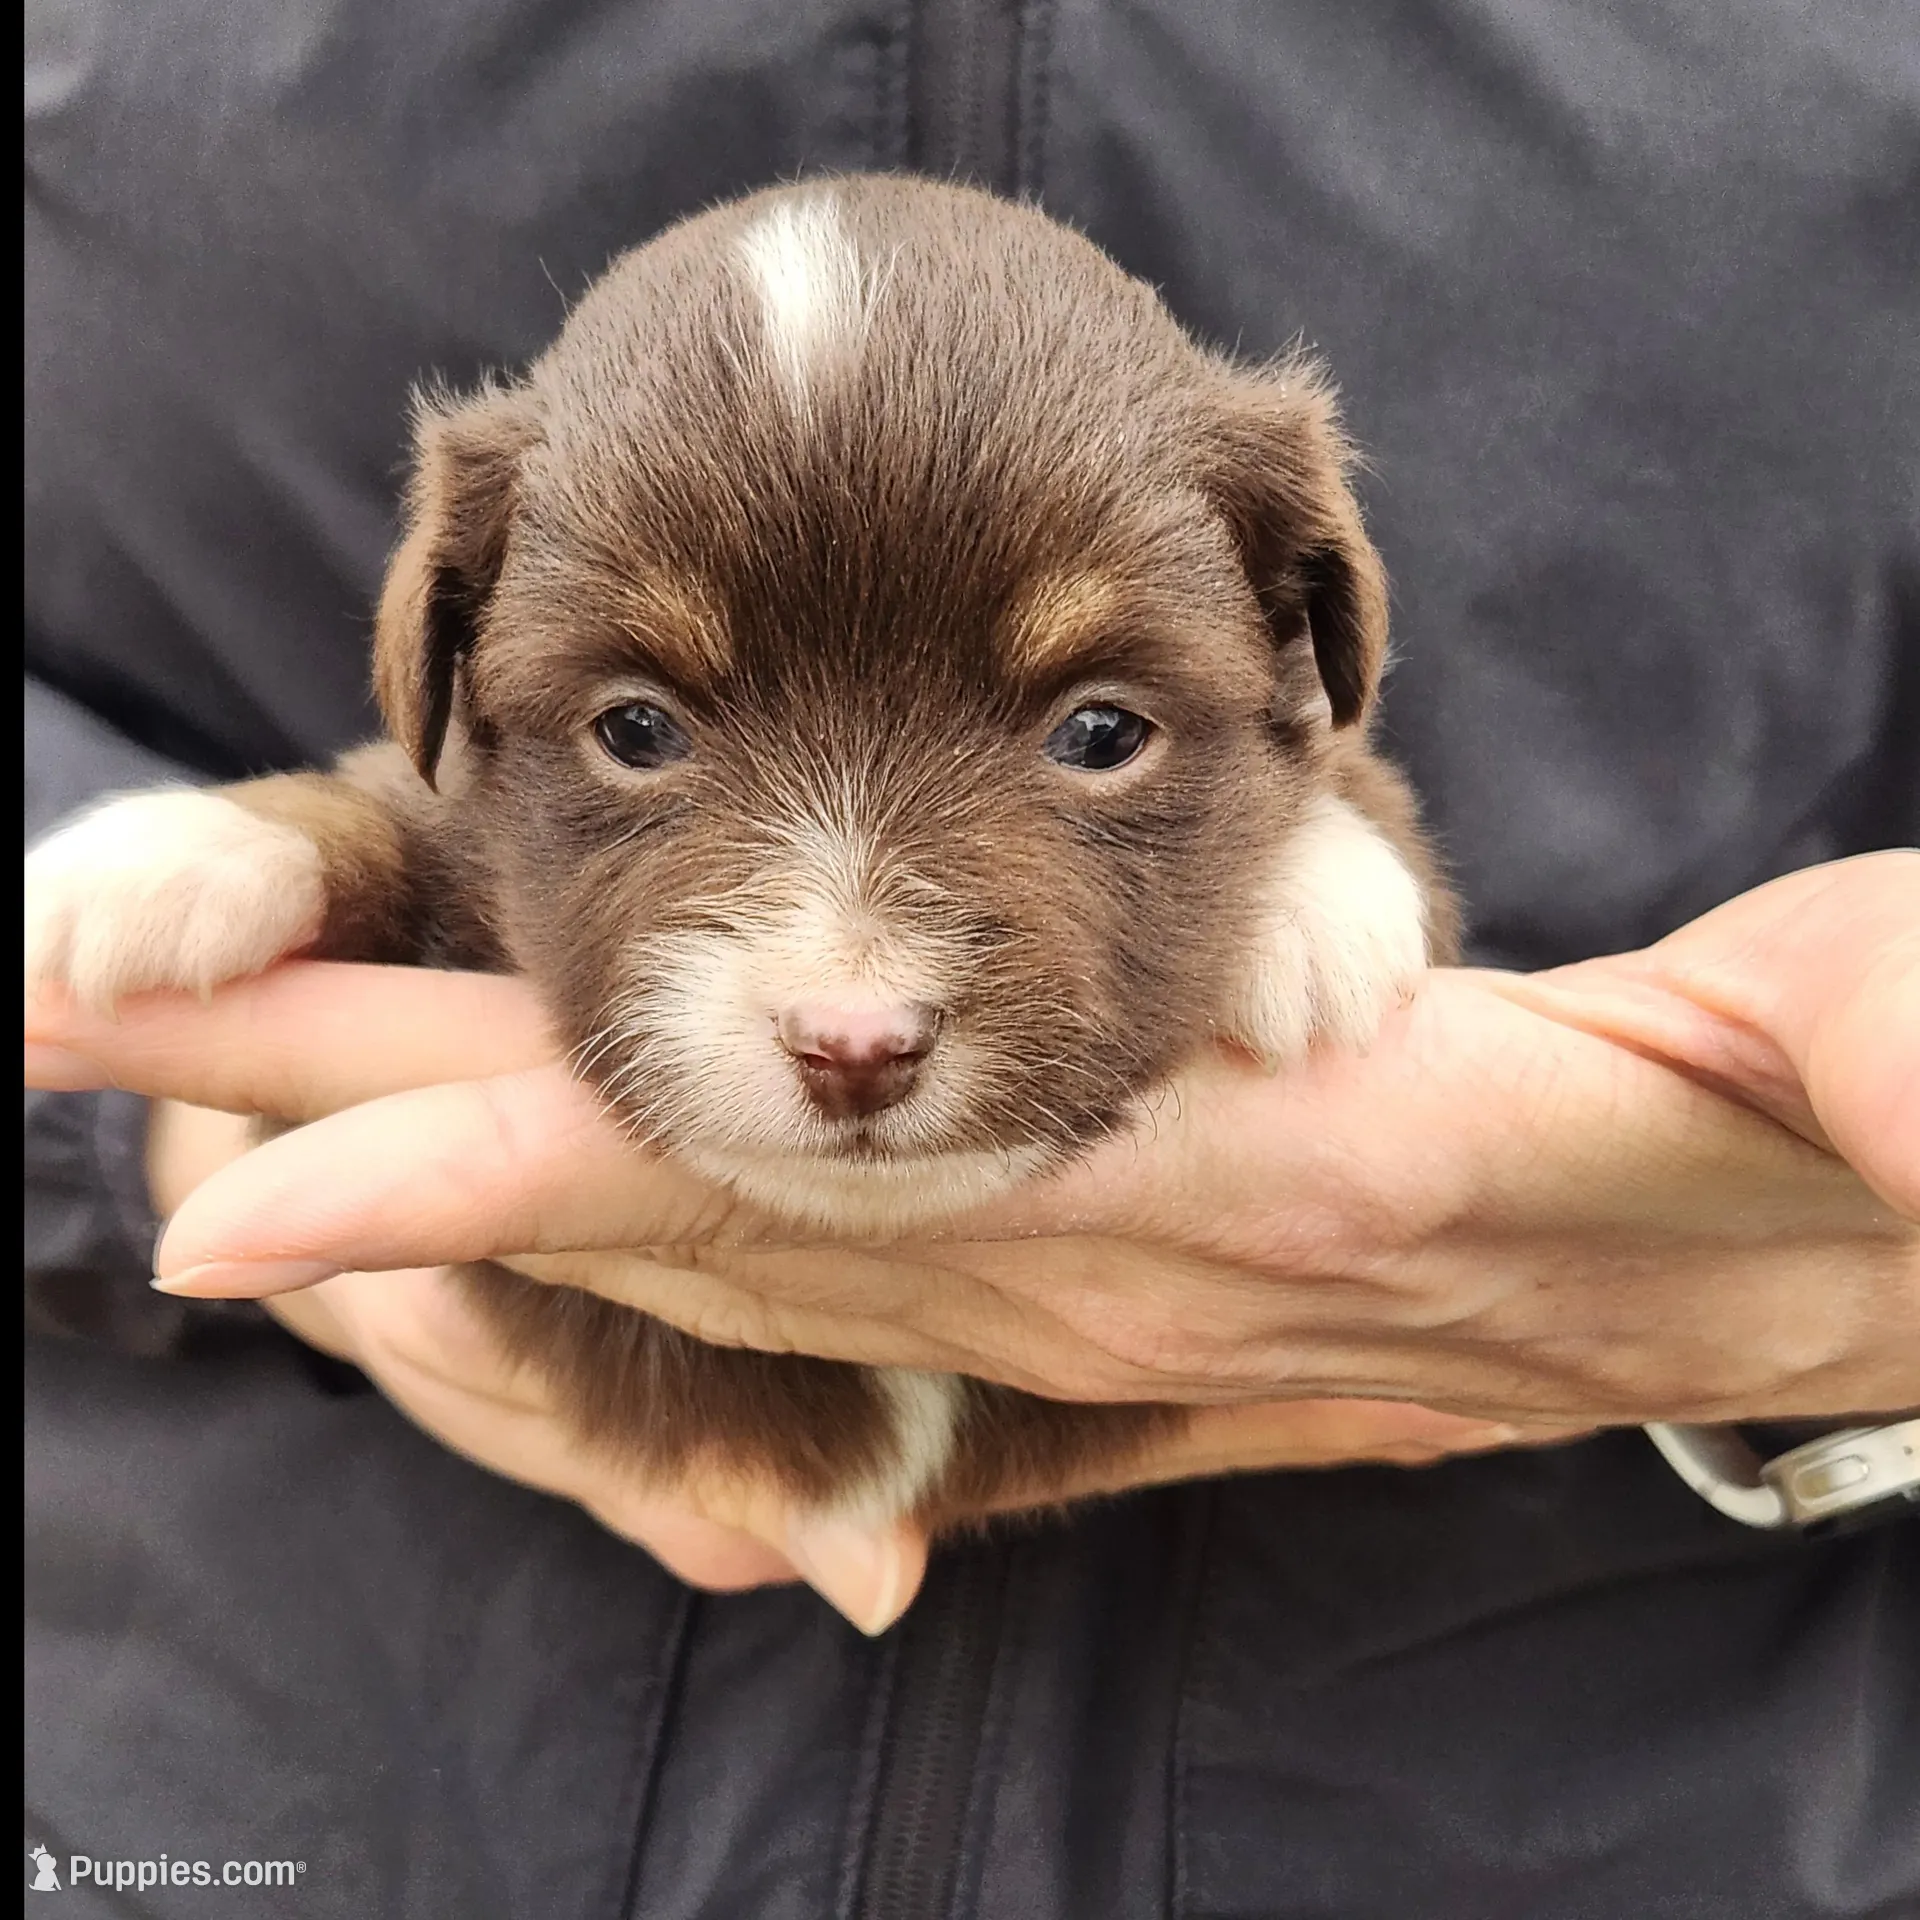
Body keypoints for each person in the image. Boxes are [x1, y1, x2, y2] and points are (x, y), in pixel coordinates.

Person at [25, 3, 1917, 1914]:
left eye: (1097, 734)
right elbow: (413, 820)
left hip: (1541, 1755)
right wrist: (160, 1094)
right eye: (642, 731)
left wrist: (1858, 1281)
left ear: (1312, 650)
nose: (853, 1002)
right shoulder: (466, 719)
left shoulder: (1282, 751)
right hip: (326, 1721)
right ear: (444, 652)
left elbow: (1326, 797)